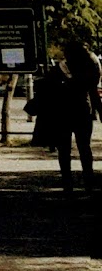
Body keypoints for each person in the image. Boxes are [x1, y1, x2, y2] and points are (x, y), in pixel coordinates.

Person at [45, 41, 102, 192]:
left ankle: (67, 183)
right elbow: (94, 91)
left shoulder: (59, 68)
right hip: (83, 111)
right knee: (85, 147)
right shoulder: (90, 68)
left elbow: (48, 89)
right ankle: (89, 181)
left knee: (64, 150)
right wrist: (100, 110)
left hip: (62, 113)